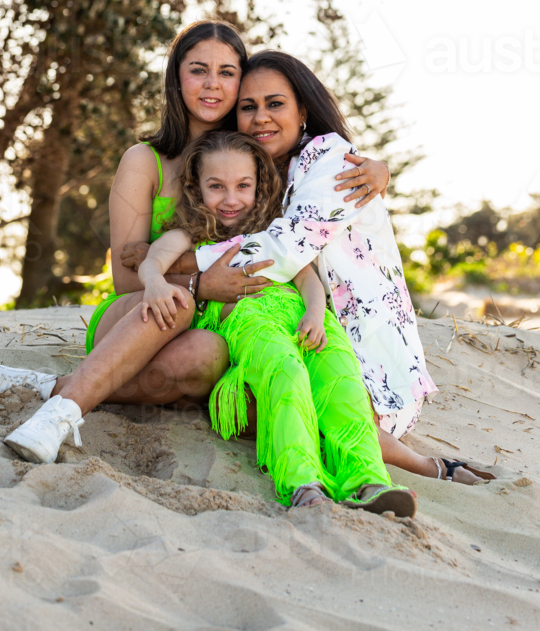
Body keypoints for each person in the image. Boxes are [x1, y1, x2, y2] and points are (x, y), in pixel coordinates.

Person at [0, 22, 387, 459]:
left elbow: (317, 179)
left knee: (207, 356)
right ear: (177, 79)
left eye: (228, 72)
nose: (213, 85)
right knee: (176, 308)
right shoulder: (145, 162)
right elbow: (124, 280)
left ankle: (45, 386)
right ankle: (59, 416)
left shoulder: (257, 163)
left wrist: (379, 169)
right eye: (198, 70)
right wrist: (199, 285)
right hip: (138, 314)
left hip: (215, 330)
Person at [169, 51, 493, 485]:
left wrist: (181, 265)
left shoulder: (332, 158)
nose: (261, 117)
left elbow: (285, 249)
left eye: (275, 103)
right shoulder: (256, 175)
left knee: (318, 414)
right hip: (295, 331)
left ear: (303, 110)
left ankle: (428, 466)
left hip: (358, 351)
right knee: (242, 400)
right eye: (248, 107)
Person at [136, 129, 417, 516]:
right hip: (245, 319)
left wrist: (316, 315)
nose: (231, 199)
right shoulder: (189, 234)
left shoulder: (275, 229)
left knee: (342, 382)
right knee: (285, 375)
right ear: (196, 188)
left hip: (304, 319)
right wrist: (153, 283)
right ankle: (301, 481)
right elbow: (153, 261)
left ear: (258, 185)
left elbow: (307, 280)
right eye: (216, 186)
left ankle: (366, 479)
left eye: (243, 186)